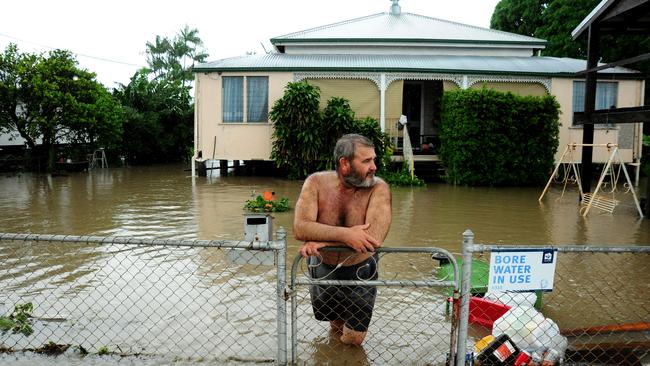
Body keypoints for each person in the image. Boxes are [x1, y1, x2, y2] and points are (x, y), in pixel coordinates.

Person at [293, 133, 392, 346]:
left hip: (361, 269)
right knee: (335, 325)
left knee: (354, 338)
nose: (374, 166)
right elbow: (300, 227)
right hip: (322, 267)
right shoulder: (316, 183)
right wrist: (345, 234)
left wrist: (322, 240)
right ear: (345, 164)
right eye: (366, 161)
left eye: (373, 159)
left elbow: (373, 239)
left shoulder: (379, 188)